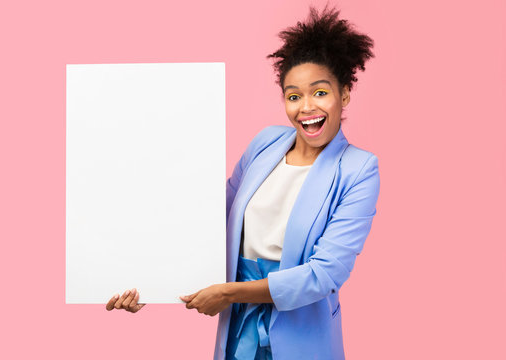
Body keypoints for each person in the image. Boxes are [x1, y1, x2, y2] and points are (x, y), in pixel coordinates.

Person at [106, 4, 379, 360]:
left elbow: (323, 275)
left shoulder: (359, 169)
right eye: (294, 96)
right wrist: (145, 282)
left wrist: (231, 294)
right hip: (238, 332)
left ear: (343, 94)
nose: (306, 107)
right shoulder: (265, 143)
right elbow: (210, 222)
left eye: (320, 92)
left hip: (301, 338)